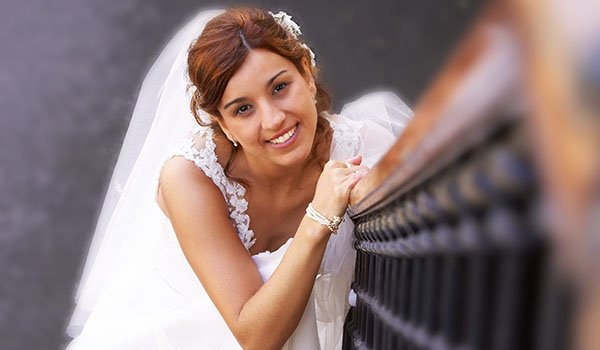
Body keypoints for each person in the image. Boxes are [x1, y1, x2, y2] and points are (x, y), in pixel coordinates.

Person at [66, 7, 413, 350]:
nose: (274, 119)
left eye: (279, 87)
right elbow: (255, 338)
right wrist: (319, 217)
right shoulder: (191, 177)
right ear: (222, 123)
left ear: (306, 75)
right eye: (243, 109)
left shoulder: (363, 147)